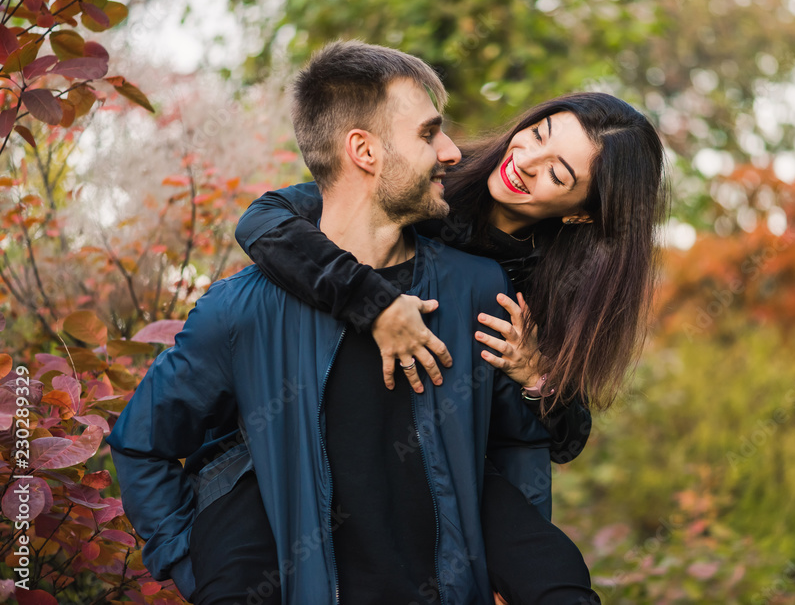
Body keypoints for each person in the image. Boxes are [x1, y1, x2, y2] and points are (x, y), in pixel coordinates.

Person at [107, 40, 594, 605]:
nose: (454, 151)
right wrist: (197, 567)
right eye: (429, 133)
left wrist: (516, 571)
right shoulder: (242, 309)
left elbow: (519, 444)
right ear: (363, 150)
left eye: (559, 172)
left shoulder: (481, 288)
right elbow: (143, 447)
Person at [235, 91, 668, 602]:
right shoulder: (425, 182)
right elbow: (265, 220)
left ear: (582, 214)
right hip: (337, 424)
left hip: (455, 463)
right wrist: (373, 303)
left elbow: (566, 436)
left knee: (559, 580)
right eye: (537, 135)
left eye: (558, 174)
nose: (525, 162)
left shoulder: (555, 287)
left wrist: (536, 374)